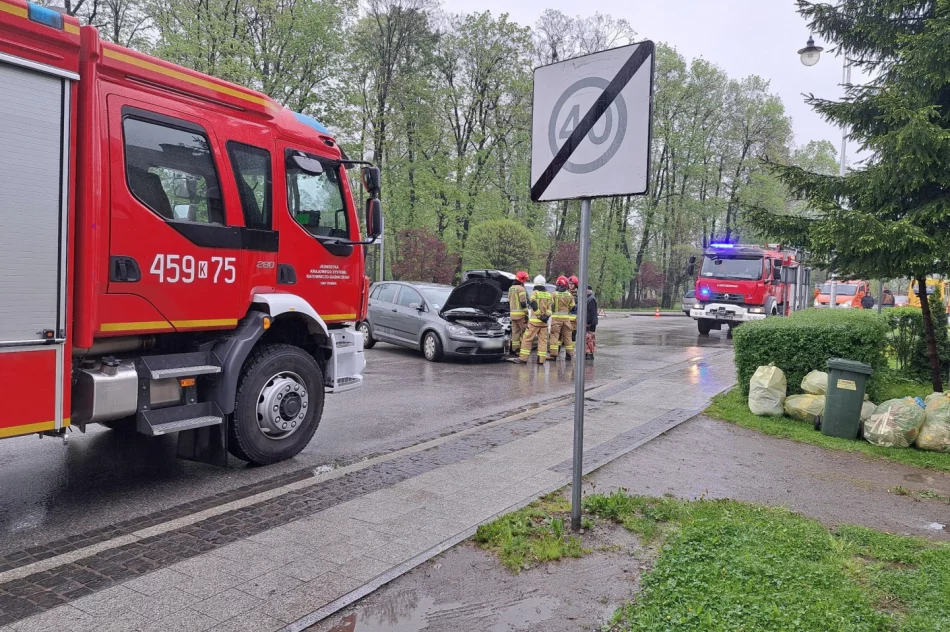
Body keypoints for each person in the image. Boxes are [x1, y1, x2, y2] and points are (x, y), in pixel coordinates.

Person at [516, 276, 552, 364]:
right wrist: (546, 317)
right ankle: (541, 360)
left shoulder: (534, 293)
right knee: (543, 341)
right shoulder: (548, 294)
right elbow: (550, 308)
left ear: (535, 283)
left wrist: (539, 315)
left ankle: (523, 359)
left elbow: (533, 303)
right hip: (544, 323)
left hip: (534, 323)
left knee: (527, 339)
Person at [548, 276, 576, 360]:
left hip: (556, 319)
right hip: (566, 319)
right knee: (568, 337)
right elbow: (572, 306)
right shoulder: (569, 295)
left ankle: (553, 355)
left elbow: (551, 306)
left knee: (554, 336)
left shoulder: (554, 294)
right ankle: (569, 354)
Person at [508, 271, 530, 354]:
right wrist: (526, 313)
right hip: (521, 315)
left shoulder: (511, 288)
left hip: (513, 315)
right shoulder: (521, 288)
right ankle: (524, 349)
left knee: (515, 333)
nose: (525, 281)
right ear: (522, 279)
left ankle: (515, 349)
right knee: (526, 332)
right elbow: (523, 303)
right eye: (525, 279)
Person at [585, 285, 598, 361]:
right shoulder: (588, 298)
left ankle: (590, 353)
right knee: (587, 338)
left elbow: (591, 312)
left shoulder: (591, 299)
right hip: (590, 321)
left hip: (591, 322)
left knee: (590, 338)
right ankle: (587, 352)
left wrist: (589, 322)